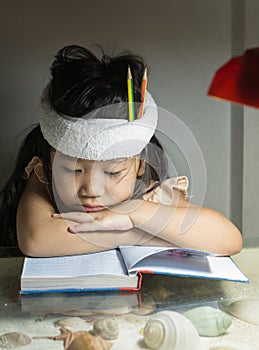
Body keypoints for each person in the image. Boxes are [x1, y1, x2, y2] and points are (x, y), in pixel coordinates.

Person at [0, 45, 242, 257]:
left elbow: (228, 239)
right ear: (50, 163)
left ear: (140, 165)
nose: (91, 190)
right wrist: (134, 233)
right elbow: (37, 241)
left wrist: (134, 211)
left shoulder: (150, 195)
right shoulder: (41, 176)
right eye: (73, 170)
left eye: (113, 172)